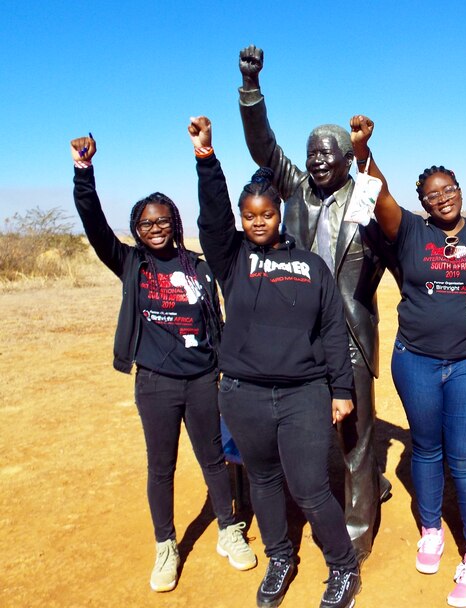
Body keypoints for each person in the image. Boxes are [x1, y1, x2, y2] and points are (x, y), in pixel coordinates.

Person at [350, 114, 466, 608]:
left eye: (448, 188)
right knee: (425, 448)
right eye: (432, 193)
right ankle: (431, 529)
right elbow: (381, 196)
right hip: (417, 362)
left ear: (458, 189)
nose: (442, 197)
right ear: (423, 201)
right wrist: (364, 152)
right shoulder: (409, 232)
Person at [70, 135, 256, 593]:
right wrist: (83, 174)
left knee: (214, 460)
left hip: (201, 379)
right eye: (145, 222)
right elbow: (94, 225)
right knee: (161, 466)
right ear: (136, 229)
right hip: (154, 383)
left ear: (174, 223)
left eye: (162, 220)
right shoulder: (131, 264)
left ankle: (228, 530)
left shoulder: (199, 266)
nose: (155, 227)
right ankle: (166, 545)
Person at [188, 116, 361, 608]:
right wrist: (206, 159)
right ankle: (280, 557)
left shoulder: (310, 266)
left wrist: (342, 390)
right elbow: (212, 221)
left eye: (266, 214)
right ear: (242, 219)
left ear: (279, 213)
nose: (258, 222)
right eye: (250, 216)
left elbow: (331, 329)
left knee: (309, 488)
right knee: (263, 481)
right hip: (242, 394)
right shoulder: (232, 260)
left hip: (303, 394)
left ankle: (344, 567)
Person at [237, 46, 396, 562]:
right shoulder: (298, 190)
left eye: (330, 152)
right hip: (299, 332)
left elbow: (393, 222)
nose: (319, 160)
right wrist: (251, 86)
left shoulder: (366, 194)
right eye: (313, 153)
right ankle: (316, 502)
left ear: (348, 158)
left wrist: (371, 152)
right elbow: (263, 145)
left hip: (349, 328)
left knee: (355, 434)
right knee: (306, 425)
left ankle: (357, 528)